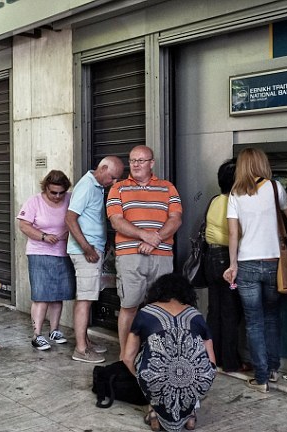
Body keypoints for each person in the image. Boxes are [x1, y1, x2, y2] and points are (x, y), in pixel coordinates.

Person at [223, 147, 287, 393]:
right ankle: (274, 369)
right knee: (272, 317)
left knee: (253, 322)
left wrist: (233, 265)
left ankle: (262, 378)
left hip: (247, 263)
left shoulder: (235, 193)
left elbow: (233, 234)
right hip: (273, 263)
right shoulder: (275, 187)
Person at [106, 145, 182, 353]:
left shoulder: (168, 188)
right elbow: (116, 221)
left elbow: (176, 219)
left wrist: (154, 239)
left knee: (162, 307)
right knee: (129, 306)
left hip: (162, 256)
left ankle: (157, 354)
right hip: (130, 256)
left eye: (141, 160)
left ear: (152, 163)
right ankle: (126, 357)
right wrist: (144, 235)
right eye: (132, 160)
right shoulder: (118, 188)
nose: (136, 164)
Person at [122, 273, 216, 432]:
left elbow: (127, 357)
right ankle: (190, 413)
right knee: (195, 365)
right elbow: (211, 362)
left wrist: (143, 380)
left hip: (156, 379)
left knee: (145, 355)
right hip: (196, 381)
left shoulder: (145, 313)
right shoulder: (196, 315)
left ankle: (154, 411)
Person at [66, 156, 124, 363]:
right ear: (103, 168)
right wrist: (87, 248)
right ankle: (81, 349)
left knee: (89, 296)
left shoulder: (97, 186)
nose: (114, 182)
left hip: (93, 248)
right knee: (85, 298)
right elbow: (70, 218)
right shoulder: (87, 186)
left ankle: (85, 342)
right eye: (113, 177)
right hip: (85, 252)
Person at [17, 170, 75, 351]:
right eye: (53, 192)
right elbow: (23, 225)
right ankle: (37, 335)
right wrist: (43, 236)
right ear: (45, 188)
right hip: (39, 252)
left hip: (62, 252)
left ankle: (54, 330)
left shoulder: (70, 199)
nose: (57, 196)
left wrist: (69, 233)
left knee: (58, 295)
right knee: (41, 295)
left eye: (61, 193)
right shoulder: (34, 201)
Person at [204, 157, 248, 372]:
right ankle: (231, 362)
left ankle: (213, 358)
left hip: (211, 259)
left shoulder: (215, 200)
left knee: (215, 311)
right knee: (231, 312)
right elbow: (238, 233)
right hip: (226, 260)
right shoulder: (234, 202)